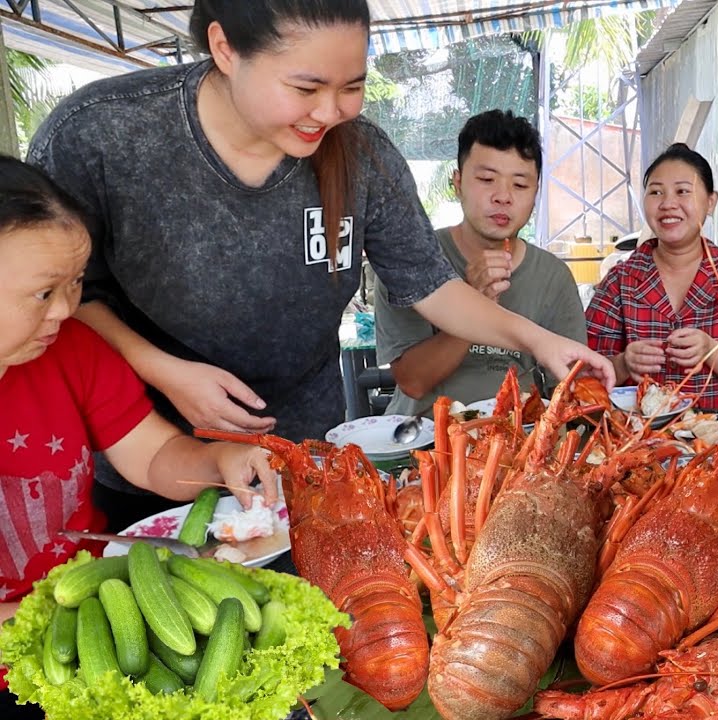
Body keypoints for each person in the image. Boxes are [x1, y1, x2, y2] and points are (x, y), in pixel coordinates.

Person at [26, 0, 612, 529]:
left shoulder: (363, 155)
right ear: (226, 48)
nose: (330, 112)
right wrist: (165, 372)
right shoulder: (103, 135)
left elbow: (431, 285)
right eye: (305, 87)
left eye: (352, 86)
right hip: (148, 458)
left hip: (305, 455)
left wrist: (540, 342)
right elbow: (65, 298)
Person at [0, 157, 278, 716]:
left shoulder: (71, 351)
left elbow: (151, 456)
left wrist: (219, 461)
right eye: (43, 292)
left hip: (97, 631)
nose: (67, 309)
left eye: (76, 283)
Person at [374, 110, 585, 415]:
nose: (503, 197)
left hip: (521, 443)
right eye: (487, 179)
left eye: (520, 185)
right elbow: (412, 381)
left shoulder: (553, 277)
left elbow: (568, 387)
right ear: (457, 183)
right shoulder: (411, 259)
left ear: (536, 192)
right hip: (428, 441)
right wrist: (475, 302)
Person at [584, 143, 718, 411]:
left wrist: (712, 351)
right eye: (656, 192)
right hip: (636, 439)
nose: (668, 204)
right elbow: (585, 374)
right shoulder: (620, 281)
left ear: (710, 201)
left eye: (683, 191)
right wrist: (622, 364)